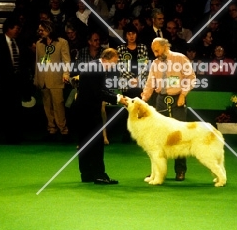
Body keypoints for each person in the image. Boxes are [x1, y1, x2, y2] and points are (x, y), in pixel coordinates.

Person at [141, 37, 196, 181]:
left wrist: (183, 94)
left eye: (157, 50)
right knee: (158, 139)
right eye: (153, 51)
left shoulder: (180, 58)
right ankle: (158, 171)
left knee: (179, 137)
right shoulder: (155, 63)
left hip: (177, 99)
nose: (155, 53)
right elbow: (150, 82)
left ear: (165, 47)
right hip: (161, 101)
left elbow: (191, 77)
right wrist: (144, 99)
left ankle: (180, 170)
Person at [73, 48, 128, 184]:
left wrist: (117, 96)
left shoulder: (94, 66)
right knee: (96, 143)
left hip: (83, 110)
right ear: (106, 59)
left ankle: (86, 174)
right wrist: (118, 99)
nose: (115, 65)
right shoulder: (97, 69)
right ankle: (99, 175)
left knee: (85, 142)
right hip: (90, 111)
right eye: (114, 62)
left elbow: (101, 89)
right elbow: (100, 92)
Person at [0, 18, 33, 144]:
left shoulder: (20, 41)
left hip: (17, 81)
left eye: (19, 29)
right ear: (8, 28)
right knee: (0, 109)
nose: (18, 31)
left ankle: (15, 136)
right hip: (3, 81)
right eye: (16, 28)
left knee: (16, 109)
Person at [33, 20, 71, 141]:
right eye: (39, 30)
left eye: (42, 30)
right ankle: (51, 130)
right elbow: (38, 62)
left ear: (49, 30)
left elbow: (66, 60)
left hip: (56, 79)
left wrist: (66, 73)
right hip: (43, 79)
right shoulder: (39, 43)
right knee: (47, 107)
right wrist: (36, 78)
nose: (40, 32)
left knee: (58, 106)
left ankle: (63, 131)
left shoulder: (62, 42)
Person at [116, 22, 149, 142]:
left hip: (140, 83)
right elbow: (120, 67)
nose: (131, 36)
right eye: (129, 34)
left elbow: (145, 66)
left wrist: (138, 79)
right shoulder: (120, 49)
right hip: (126, 83)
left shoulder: (142, 47)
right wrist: (132, 79)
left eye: (133, 33)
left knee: (140, 109)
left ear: (136, 34)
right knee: (128, 109)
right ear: (125, 35)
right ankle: (127, 134)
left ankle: (140, 135)